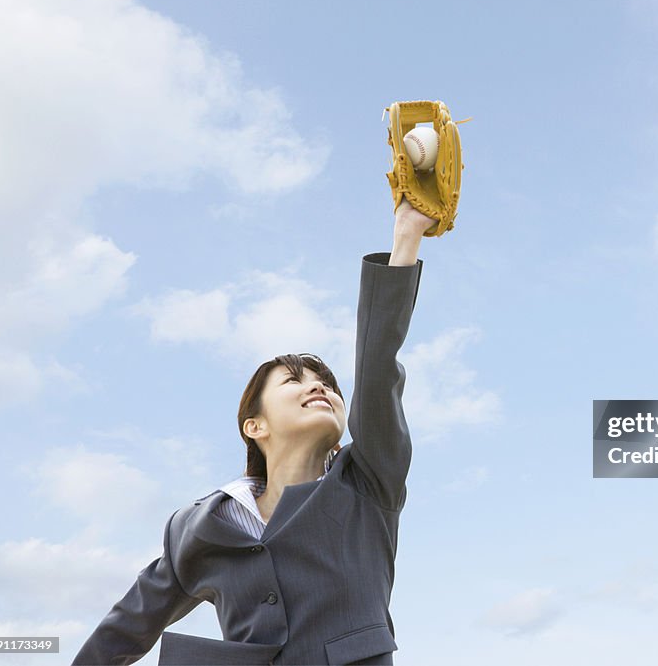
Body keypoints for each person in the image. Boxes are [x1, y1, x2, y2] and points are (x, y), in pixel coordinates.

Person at [73, 199, 435, 665]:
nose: (319, 386)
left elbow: (377, 365)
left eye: (327, 384)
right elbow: (125, 628)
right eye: (294, 381)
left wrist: (406, 235)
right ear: (254, 425)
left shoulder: (368, 484)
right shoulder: (199, 527)